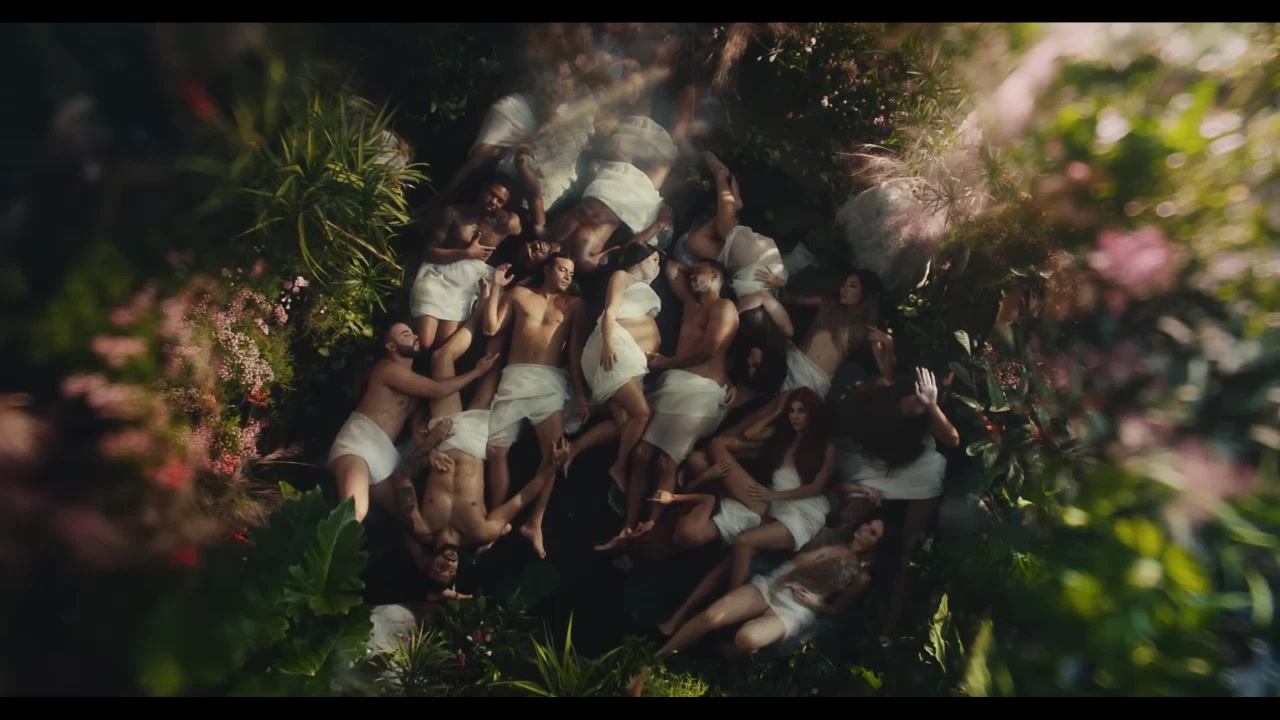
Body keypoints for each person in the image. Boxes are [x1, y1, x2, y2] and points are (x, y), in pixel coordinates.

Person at [627, 518, 886, 695]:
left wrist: (816, 604)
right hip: (779, 582)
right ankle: (653, 661)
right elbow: (797, 561)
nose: (865, 529)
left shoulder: (861, 576)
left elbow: (836, 609)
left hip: (798, 607)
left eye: (873, 532)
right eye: (867, 524)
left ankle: (730, 653)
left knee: (747, 638)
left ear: (876, 545)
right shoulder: (831, 537)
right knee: (711, 616)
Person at [596, 258, 737, 550]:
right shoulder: (690, 302)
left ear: (716, 276)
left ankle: (651, 526)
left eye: (700, 272)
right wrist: (695, 270)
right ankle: (628, 526)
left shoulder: (724, 307)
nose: (692, 277)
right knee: (641, 454)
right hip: (672, 385)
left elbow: (710, 350)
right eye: (692, 273)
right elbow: (672, 267)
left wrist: (666, 363)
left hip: (700, 391)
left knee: (665, 461)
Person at [328, 323, 498, 523]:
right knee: (355, 512)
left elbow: (416, 425)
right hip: (359, 442)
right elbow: (437, 390)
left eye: (413, 332)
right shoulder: (387, 369)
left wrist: (430, 451)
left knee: (412, 523)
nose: (415, 336)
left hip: (384, 452)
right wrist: (476, 372)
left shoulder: (415, 383)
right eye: (406, 334)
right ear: (391, 347)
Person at [832, 367, 959, 632]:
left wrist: (931, 405)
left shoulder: (926, 418)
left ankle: (888, 622)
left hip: (912, 469)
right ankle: (824, 581)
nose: (918, 406)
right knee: (849, 516)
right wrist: (857, 488)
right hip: (869, 465)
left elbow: (952, 439)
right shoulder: (878, 403)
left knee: (906, 547)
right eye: (915, 399)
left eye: (923, 402)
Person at [482, 254, 589, 558]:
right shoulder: (519, 294)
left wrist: (581, 394)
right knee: (496, 451)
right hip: (516, 377)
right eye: (562, 269)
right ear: (547, 269)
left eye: (571, 273)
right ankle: (496, 520)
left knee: (553, 454)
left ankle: (534, 522)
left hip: (549, 381)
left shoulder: (574, 305)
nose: (567, 276)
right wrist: (496, 288)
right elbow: (491, 328)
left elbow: (575, 351)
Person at [575, 243, 663, 487]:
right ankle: (620, 466)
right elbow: (611, 311)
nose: (657, 266)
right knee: (642, 414)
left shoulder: (644, 287)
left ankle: (573, 449)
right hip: (614, 349)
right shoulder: (621, 275)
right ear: (640, 258)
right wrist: (607, 344)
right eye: (654, 260)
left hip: (630, 358)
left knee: (624, 426)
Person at [409, 179, 521, 349]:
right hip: (439, 274)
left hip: (465, 286)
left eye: (500, 200)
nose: (493, 201)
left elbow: (519, 228)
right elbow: (429, 252)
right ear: (482, 189)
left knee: (444, 343)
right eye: (491, 194)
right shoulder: (454, 213)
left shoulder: (503, 223)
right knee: (425, 341)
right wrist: (467, 253)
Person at [684, 152, 790, 315]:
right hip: (757, 265)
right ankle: (721, 175)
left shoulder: (746, 324)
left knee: (696, 242)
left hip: (739, 273)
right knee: (724, 226)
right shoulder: (777, 320)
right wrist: (780, 284)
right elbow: (787, 314)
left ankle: (733, 208)